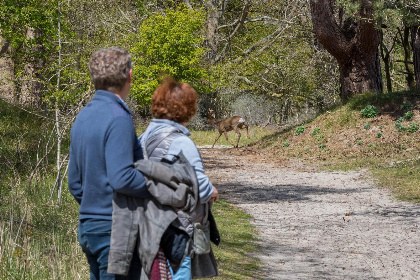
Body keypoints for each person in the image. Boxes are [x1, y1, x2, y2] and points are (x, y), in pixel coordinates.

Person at [68, 47, 149, 280]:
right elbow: (121, 177)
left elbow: (75, 184)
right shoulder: (119, 118)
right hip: (115, 232)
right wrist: (156, 183)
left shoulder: (83, 116)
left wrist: (94, 208)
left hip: (89, 229)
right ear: (130, 76)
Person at [138, 77, 219, 280]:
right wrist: (212, 190)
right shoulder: (181, 141)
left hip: (148, 223)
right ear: (186, 109)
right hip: (178, 226)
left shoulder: (143, 137)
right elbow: (199, 184)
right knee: (179, 270)